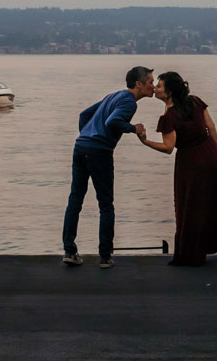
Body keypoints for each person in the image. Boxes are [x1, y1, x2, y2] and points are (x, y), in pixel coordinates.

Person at [135, 70, 217, 267]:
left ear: (169, 92)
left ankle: (193, 253)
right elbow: (211, 127)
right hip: (213, 155)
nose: (155, 88)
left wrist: (145, 142)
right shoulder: (196, 102)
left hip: (190, 162)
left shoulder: (169, 118)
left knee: (193, 207)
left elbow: (168, 148)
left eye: (159, 85)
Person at [62, 66, 155, 268]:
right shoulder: (130, 102)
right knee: (106, 204)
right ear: (138, 84)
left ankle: (69, 250)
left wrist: (88, 135)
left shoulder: (112, 96)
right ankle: (105, 256)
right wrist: (134, 128)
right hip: (99, 152)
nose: (154, 87)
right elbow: (114, 121)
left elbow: (84, 115)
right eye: (150, 82)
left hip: (80, 147)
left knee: (75, 199)